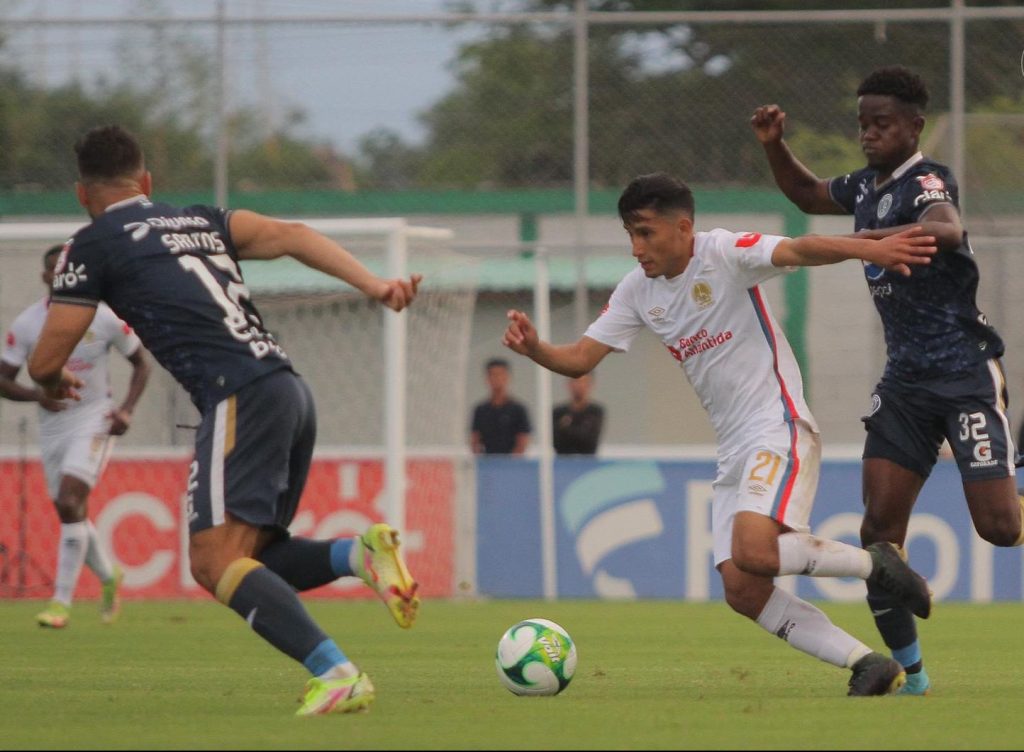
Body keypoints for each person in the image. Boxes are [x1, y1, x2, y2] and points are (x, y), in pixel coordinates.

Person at [27, 124, 422, 716]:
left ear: (82, 194)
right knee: (250, 557)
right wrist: (376, 284)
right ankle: (356, 556)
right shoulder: (199, 219)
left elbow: (44, 361)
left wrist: (51, 380)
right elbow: (293, 235)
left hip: (237, 394)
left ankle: (336, 673)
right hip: (287, 388)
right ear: (146, 182)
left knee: (212, 561)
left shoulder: (91, 244)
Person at [502, 172, 938, 696]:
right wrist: (535, 348)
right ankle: (867, 663)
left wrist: (871, 249)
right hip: (733, 446)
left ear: (683, 227)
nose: (636, 248)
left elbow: (800, 248)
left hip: (775, 424)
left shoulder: (725, 253)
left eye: (645, 233)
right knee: (741, 587)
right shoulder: (637, 290)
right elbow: (579, 359)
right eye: (630, 235)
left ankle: (875, 565)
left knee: (754, 551)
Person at [752, 65, 1023, 696]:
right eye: (863, 124)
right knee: (878, 536)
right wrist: (774, 145)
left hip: (964, 374)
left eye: (882, 124)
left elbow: (948, 227)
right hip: (905, 384)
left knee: (1000, 529)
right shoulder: (864, 186)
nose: (869, 134)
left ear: (914, 127)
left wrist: (872, 240)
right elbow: (808, 194)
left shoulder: (926, 181)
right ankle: (913, 677)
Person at [0, 243, 151, 629]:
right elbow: (3, 378)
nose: (62, 275)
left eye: (67, 268)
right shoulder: (28, 324)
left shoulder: (103, 317)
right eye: (55, 269)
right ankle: (109, 575)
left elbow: (141, 363)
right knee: (71, 510)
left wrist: (126, 410)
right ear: (45, 276)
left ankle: (60, 603)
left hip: (95, 418)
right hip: (53, 426)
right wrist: (37, 396)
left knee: (70, 501)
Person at [470, 357, 531, 455]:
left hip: (512, 461)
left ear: (508, 377)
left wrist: (511, 461)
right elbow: (475, 439)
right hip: (487, 460)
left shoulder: (518, 409)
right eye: (493, 375)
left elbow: (523, 440)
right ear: (487, 378)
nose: (497, 379)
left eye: (500, 374)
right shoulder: (480, 410)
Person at [553, 373, 604, 455]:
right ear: (569, 384)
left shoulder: (596, 411)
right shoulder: (558, 412)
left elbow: (590, 442)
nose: (579, 386)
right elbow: (557, 442)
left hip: (588, 460)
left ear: (590, 385)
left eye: (584, 382)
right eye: (576, 381)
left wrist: (565, 428)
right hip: (563, 459)